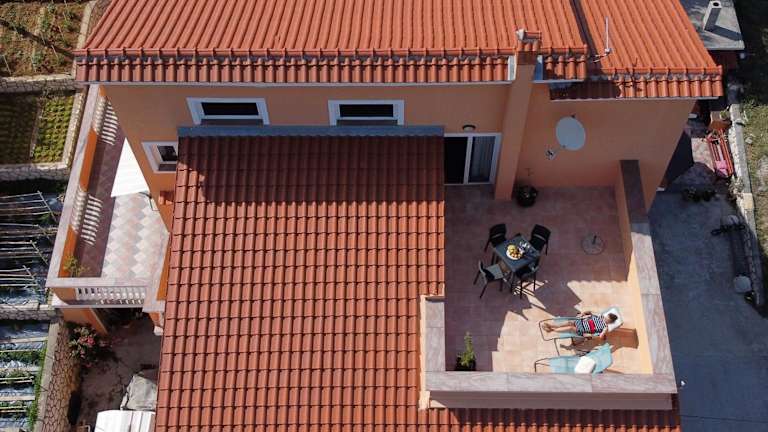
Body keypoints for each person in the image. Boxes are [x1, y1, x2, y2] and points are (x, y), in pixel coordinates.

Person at [542, 310, 618, 340]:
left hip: (583, 330)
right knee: (569, 322)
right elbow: (590, 312)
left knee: (571, 327)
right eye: (606, 317)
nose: (605, 318)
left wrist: (591, 335)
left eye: (607, 319)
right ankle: (551, 326)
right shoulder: (600, 316)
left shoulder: (605, 327)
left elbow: (600, 336)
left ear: (610, 322)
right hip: (581, 322)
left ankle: (552, 330)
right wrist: (583, 313)